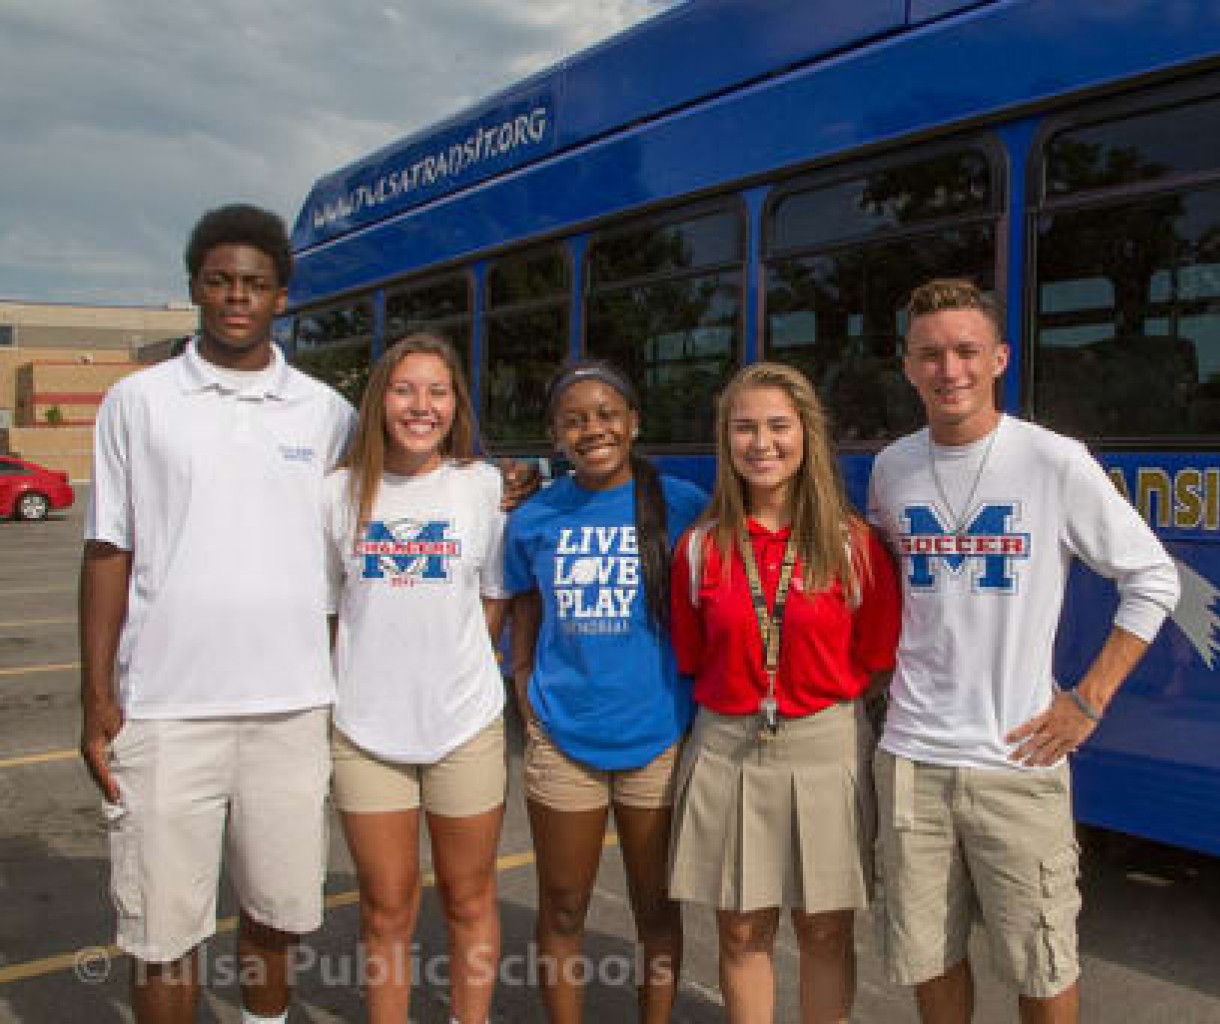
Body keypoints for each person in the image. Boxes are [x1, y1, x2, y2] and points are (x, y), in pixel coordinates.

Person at [866, 279, 1180, 1024]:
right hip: (911, 760)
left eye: (968, 351)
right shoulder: (891, 469)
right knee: (929, 958)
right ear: (907, 367)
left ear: (999, 358)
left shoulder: (1052, 461)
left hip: (1018, 761)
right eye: (931, 354)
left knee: (1042, 964)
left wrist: (1087, 699)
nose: (951, 371)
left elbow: (1154, 578)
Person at [78, 204, 356, 1024]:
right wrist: (97, 700)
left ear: (281, 297)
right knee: (163, 936)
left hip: (292, 710)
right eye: (221, 281)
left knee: (278, 918)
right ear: (195, 287)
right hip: (165, 712)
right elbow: (107, 553)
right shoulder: (138, 402)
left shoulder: (326, 412)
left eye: (256, 284)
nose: (238, 296)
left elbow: (354, 560)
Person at [668, 362, 901, 1024]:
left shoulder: (852, 545)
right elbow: (692, 654)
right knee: (743, 932)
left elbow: (876, 659)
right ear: (725, 440)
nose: (761, 443)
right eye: (744, 428)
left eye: (777, 425)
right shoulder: (700, 547)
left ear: (806, 434)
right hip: (727, 747)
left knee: (824, 931)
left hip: (825, 748)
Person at [503, 361, 708, 1024]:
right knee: (562, 904)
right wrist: (522, 672)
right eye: (574, 420)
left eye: (606, 414)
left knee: (656, 908)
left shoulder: (680, 504)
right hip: (564, 740)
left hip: (657, 739)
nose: (593, 429)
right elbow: (525, 598)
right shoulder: (533, 515)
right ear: (556, 436)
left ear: (634, 422)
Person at [323, 333, 510, 1024]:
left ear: (456, 402)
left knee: (468, 898)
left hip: (465, 726)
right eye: (405, 389)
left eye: (437, 390)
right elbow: (328, 608)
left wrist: (457, 663)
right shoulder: (338, 493)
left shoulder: (482, 486)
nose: (420, 406)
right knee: (387, 906)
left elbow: (494, 596)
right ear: (380, 400)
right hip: (365, 733)